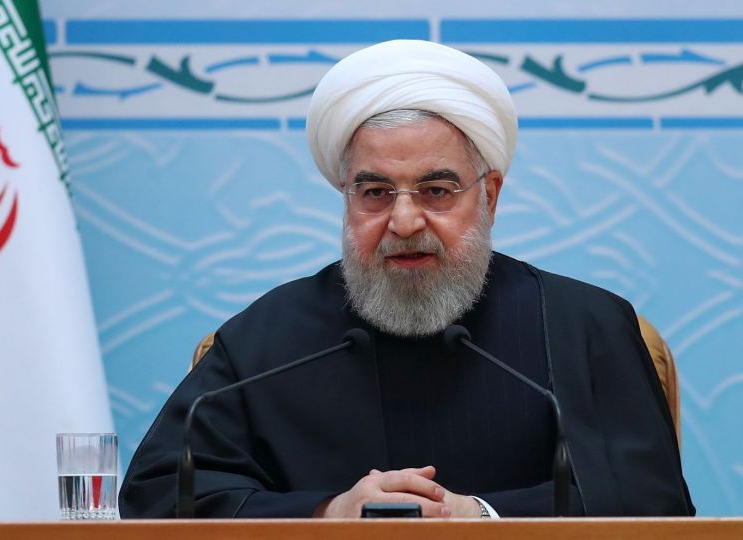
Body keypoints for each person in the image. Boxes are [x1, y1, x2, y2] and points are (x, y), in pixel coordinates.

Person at [118, 40, 694, 519]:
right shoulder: (268, 337)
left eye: (436, 191)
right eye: (375, 192)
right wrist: (326, 515)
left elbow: (653, 502)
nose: (404, 221)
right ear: (346, 198)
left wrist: (481, 517)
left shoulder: (583, 325)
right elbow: (158, 494)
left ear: (490, 196)